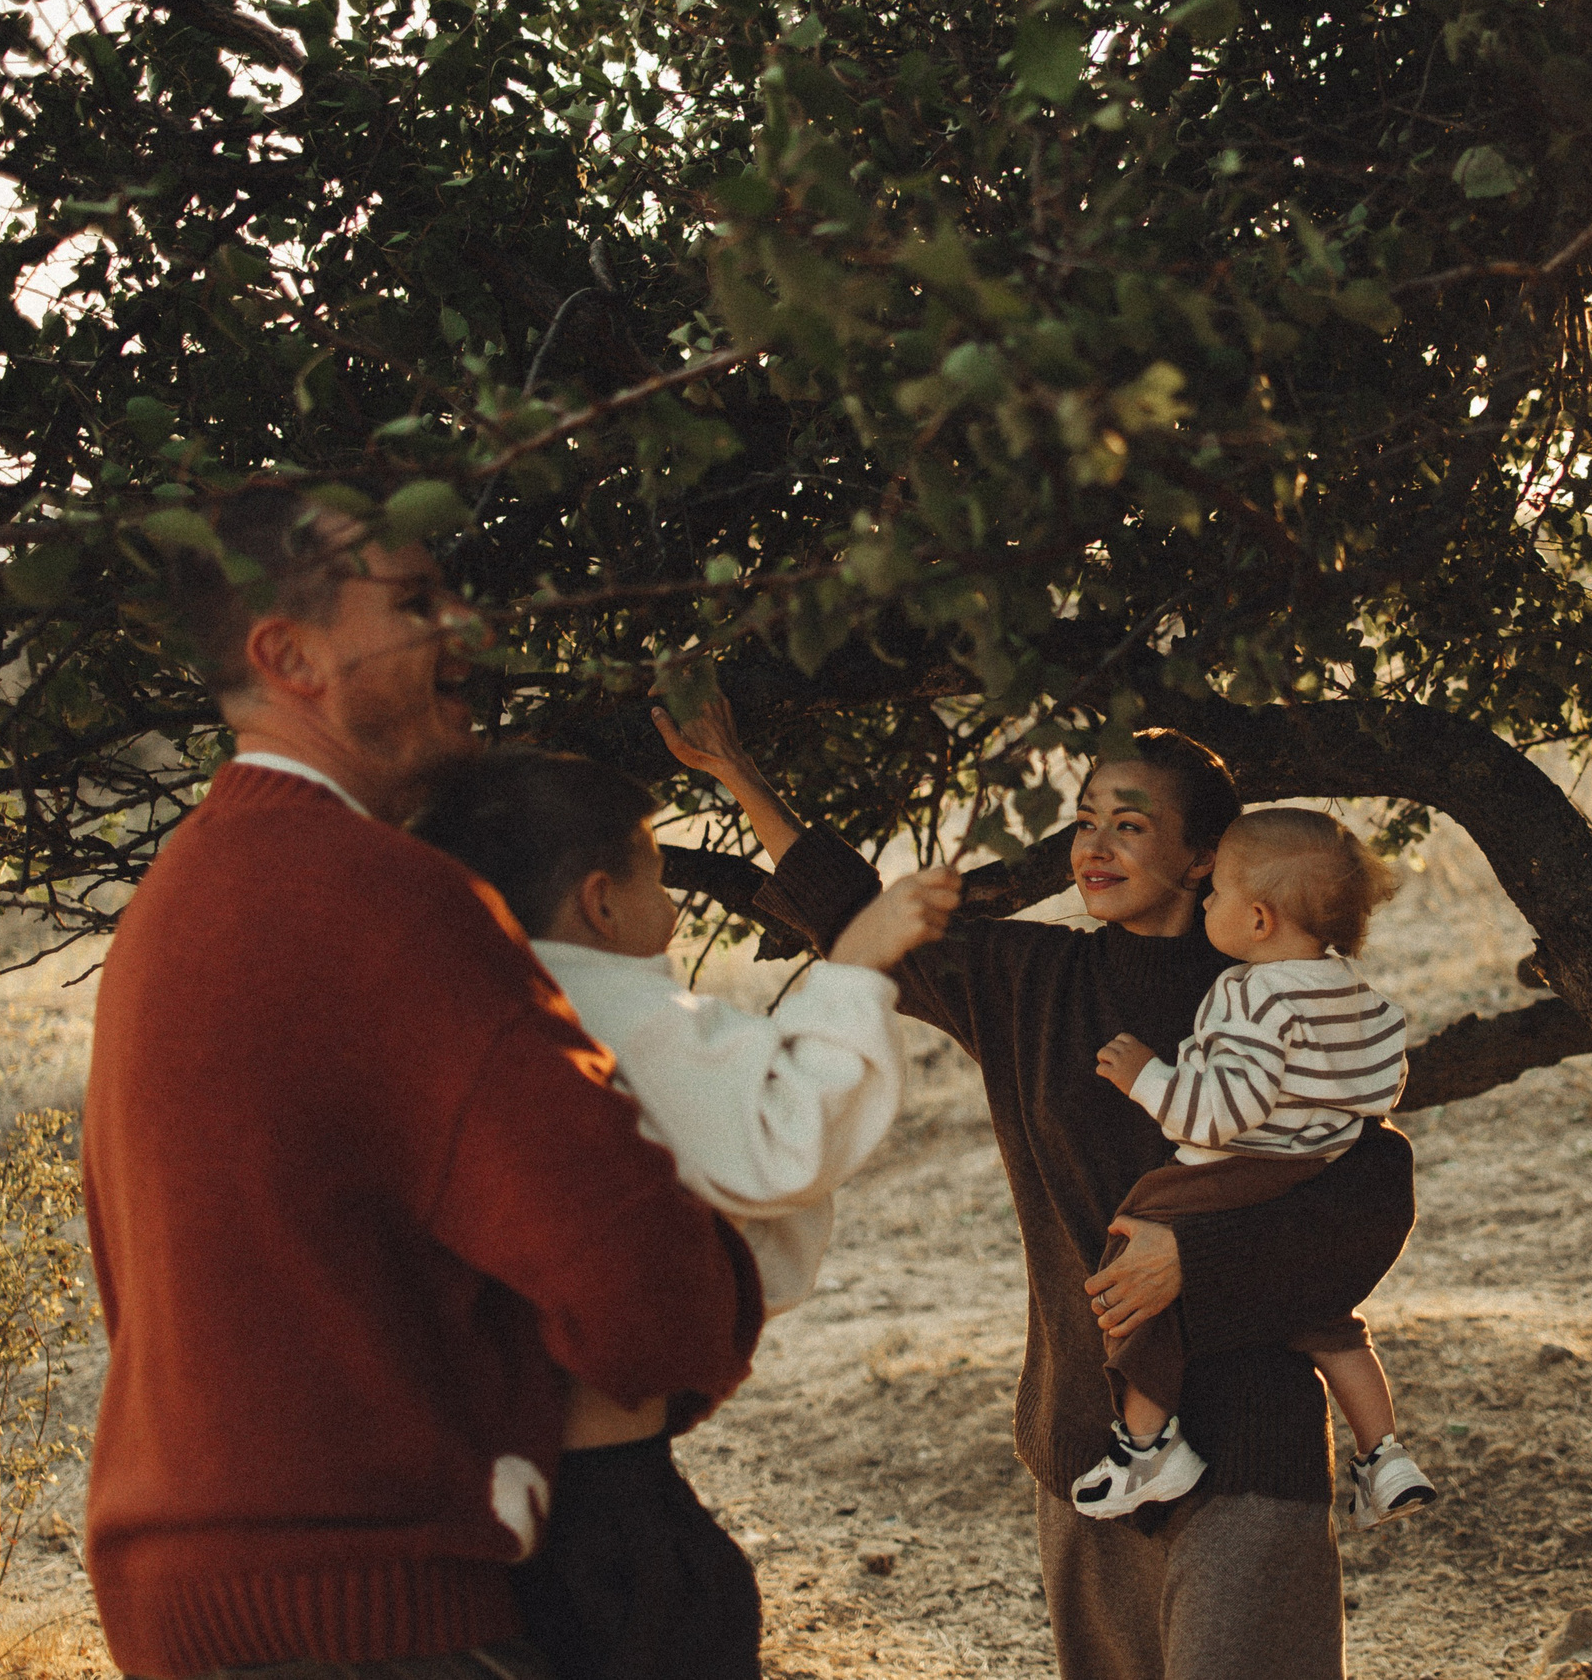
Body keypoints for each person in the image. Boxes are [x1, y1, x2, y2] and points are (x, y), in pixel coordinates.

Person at [82, 484, 758, 1680]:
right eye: (415, 601)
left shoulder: (174, 898)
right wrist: (729, 1286)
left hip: (189, 1608)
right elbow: (650, 1294)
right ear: (290, 656)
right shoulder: (386, 900)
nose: (464, 625)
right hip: (372, 1615)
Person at [658, 698, 1417, 1680]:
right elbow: (859, 917)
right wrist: (737, 773)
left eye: (1129, 825)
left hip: (1248, 1453)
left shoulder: (1272, 989)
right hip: (1085, 1450)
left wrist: (1194, 1257)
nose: (1093, 847)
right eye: (1086, 819)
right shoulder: (1031, 981)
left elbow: (1372, 1189)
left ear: (1203, 858)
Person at [409, 744, 961, 1680]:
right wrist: (855, 967)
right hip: (604, 1488)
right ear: (600, 901)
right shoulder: (611, 1007)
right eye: (659, 877)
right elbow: (782, 1138)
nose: (672, 907)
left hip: (497, 1479)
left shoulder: (470, 1006)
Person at [1078, 807, 1437, 1530]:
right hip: (1318, 1167)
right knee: (1329, 1321)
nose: (1206, 903)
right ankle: (1385, 1455)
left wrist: (1146, 1077)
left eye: (1217, 894)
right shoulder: (1351, 991)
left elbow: (1219, 1113)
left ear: (1260, 919)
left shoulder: (1253, 993)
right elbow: (1382, 1086)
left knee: (1134, 1270)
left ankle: (1148, 1446)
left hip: (1234, 1169)